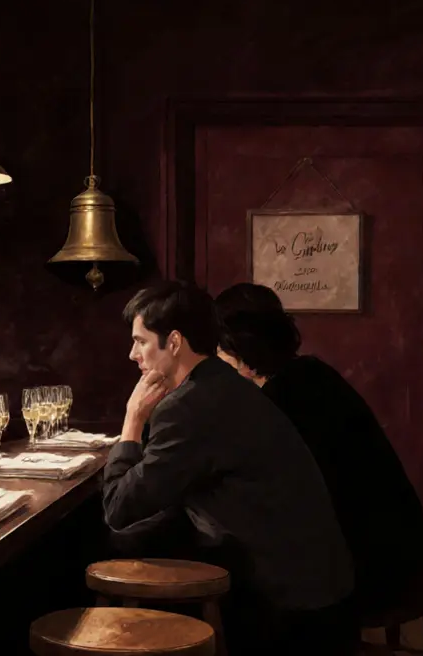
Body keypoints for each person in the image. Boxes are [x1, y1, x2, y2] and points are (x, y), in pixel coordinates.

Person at [103, 280, 357, 655]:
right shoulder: (223, 385)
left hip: (288, 606)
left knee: (115, 544)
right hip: (320, 585)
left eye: (140, 341)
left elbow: (118, 507)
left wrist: (132, 421)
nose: (132, 354)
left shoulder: (189, 406)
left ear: (173, 342)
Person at [214, 282, 423, 615]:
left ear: (238, 347)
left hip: (368, 566)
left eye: (218, 347)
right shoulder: (309, 374)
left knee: (239, 581)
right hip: (400, 548)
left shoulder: (283, 397)